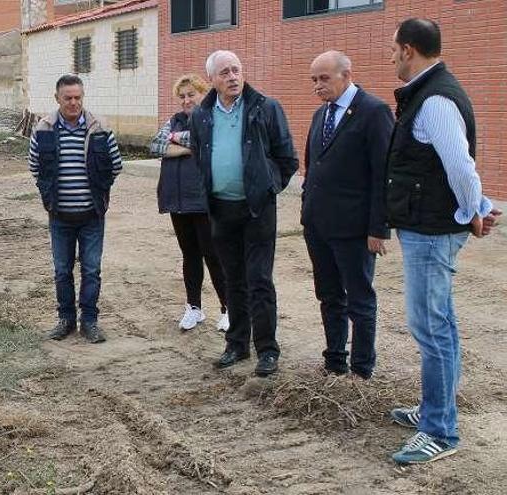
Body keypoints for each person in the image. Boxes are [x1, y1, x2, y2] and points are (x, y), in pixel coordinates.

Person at [385, 18, 501, 465]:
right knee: (442, 324)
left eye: (394, 49)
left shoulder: (434, 100)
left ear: (410, 50)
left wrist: (474, 211)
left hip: (431, 234)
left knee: (430, 329)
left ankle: (439, 430)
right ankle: (436, 408)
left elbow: (460, 165)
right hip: (427, 229)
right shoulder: (432, 93)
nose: (391, 56)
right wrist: (477, 207)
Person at [189, 50, 298, 376]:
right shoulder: (202, 115)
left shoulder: (265, 107)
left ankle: (267, 350)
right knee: (232, 278)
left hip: (257, 209)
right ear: (212, 79)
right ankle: (237, 344)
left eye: (236, 70)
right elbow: (198, 155)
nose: (233, 76)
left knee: (259, 279)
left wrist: (268, 187)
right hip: (221, 209)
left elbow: (287, 157)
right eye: (224, 72)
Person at [301, 51, 394, 380]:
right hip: (318, 225)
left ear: (346, 74)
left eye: (324, 78)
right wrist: (306, 210)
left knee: (359, 300)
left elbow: (384, 174)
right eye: (313, 80)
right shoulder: (320, 115)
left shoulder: (374, 112)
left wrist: (379, 227)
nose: (318, 86)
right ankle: (335, 361)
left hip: (355, 228)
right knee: (328, 296)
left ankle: (362, 369)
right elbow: (313, 167)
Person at [28, 74, 123, 344]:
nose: (73, 103)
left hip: (92, 216)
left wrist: (99, 193)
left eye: (77, 97)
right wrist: (49, 196)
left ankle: (90, 322)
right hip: (59, 217)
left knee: (91, 270)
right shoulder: (43, 129)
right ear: (57, 98)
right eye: (67, 98)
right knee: (62, 270)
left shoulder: (100, 129)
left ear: (83, 97)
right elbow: (35, 168)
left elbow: (115, 166)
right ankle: (66, 320)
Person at [150, 74, 229, 332]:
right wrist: (190, 145)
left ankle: (228, 309)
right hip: (178, 200)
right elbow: (156, 145)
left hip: (204, 200)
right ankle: (194, 308)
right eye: (182, 96)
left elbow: (208, 140)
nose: (186, 100)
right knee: (190, 256)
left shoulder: (213, 117)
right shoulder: (173, 120)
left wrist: (176, 139)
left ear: (202, 94)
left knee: (213, 255)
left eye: (190, 94)